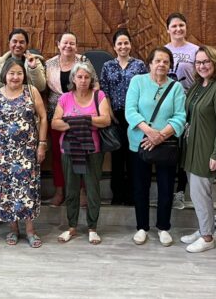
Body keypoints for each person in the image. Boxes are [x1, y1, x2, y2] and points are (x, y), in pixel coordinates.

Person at [125, 47, 186, 247]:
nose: (161, 65)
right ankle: (142, 227)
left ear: (170, 65)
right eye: (157, 61)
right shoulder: (137, 82)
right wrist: (149, 132)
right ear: (150, 63)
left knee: (166, 187)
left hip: (166, 144)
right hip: (139, 143)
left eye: (166, 62)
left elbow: (180, 116)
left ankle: (163, 227)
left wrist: (160, 135)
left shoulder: (175, 87)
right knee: (140, 187)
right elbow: (130, 111)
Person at [0, 58, 49, 248]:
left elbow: (44, 117)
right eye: (12, 73)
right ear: (4, 75)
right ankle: (13, 229)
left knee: (28, 190)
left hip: (28, 151)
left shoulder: (31, 91)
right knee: (7, 191)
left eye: (19, 73)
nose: (15, 77)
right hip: (3, 154)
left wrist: (42, 143)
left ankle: (30, 230)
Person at [51, 62, 112, 245]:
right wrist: (85, 122)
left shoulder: (99, 95)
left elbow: (106, 120)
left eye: (87, 77)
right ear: (73, 79)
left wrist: (72, 121)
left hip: (93, 150)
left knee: (93, 189)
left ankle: (93, 228)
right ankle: (72, 227)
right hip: (69, 150)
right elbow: (55, 123)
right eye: (80, 77)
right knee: (71, 189)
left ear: (91, 79)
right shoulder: (65, 98)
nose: (83, 80)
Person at [178, 46, 216, 253]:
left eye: (206, 61)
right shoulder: (198, 86)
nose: (202, 66)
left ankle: (208, 237)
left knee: (201, 194)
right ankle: (203, 229)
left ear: (215, 62)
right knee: (196, 193)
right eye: (198, 62)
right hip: (191, 147)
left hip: (205, 149)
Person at [99, 29, 147, 205]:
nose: (123, 46)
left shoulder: (139, 65)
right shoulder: (108, 66)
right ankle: (117, 195)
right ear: (114, 46)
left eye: (126, 43)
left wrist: (138, 116)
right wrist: (110, 114)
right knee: (117, 157)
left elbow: (144, 91)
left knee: (133, 155)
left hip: (135, 115)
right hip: (116, 115)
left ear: (131, 45)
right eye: (119, 43)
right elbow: (104, 92)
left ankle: (133, 195)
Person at [44, 32, 93, 206]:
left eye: (72, 43)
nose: (68, 46)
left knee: (79, 154)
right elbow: (42, 87)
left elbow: (95, 85)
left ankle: (81, 191)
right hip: (55, 114)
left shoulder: (84, 62)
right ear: (58, 44)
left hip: (79, 114)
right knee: (58, 155)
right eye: (65, 43)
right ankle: (59, 191)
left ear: (76, 46)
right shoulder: (49, 64)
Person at [164, 12, 197, 210]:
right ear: (168, 29)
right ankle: (167, 190)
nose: (178, 29)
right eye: (174, 26)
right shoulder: (163, 50)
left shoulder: (195, 50)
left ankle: (180, 191)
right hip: (167, 104)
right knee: (170, 146)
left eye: (181, 25)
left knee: (185, 148)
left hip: (189, 102)